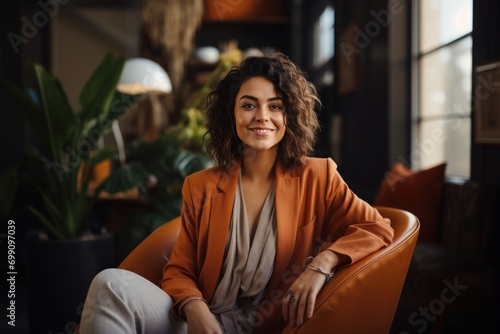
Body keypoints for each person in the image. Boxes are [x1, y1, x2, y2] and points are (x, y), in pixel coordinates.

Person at [79, 52, 394, 334]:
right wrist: (196, 309)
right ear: (231, 115)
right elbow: (179, 270)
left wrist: (322, 263)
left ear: (290, 116)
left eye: (275, 106)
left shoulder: (318, 176)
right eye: (248, 105)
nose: (262, 117)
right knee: (109, 283)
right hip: (202, 323)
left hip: (269, 326)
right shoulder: (200, 186)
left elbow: (377, 228)